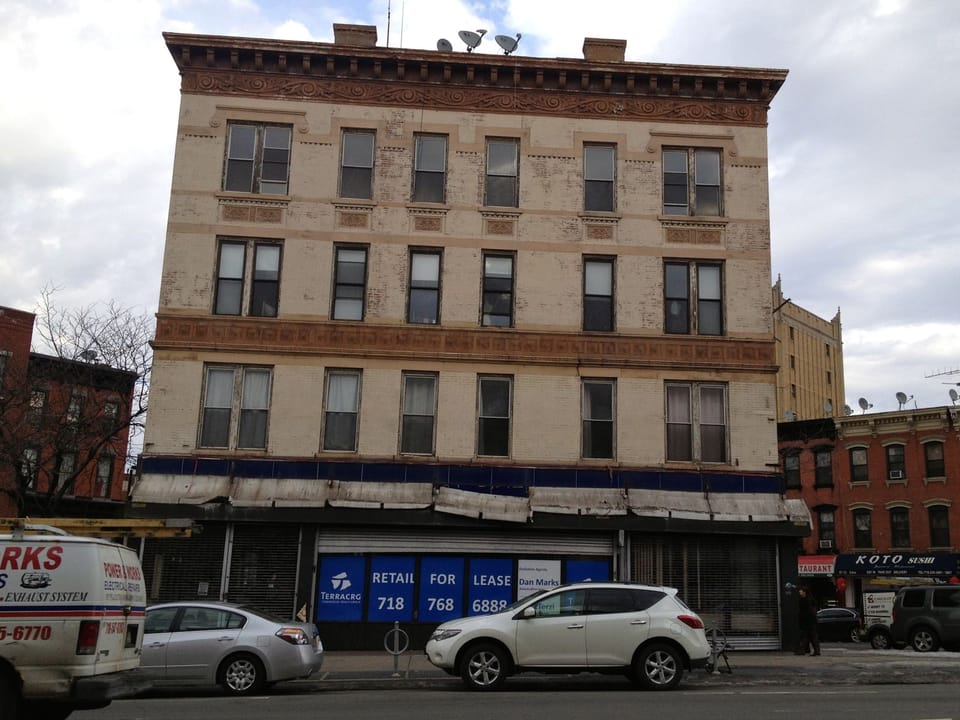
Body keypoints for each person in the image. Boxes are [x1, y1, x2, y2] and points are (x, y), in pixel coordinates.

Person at [796, 586, 821, 656]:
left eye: (801, 591)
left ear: (804, 592)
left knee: (808, 636)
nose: (799, 592)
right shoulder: (810, 599)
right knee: (810, 636)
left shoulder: (804, 600)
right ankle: (813, 651)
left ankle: (805, 650)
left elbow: (806, 612)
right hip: (811, 621)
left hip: (808, 621)